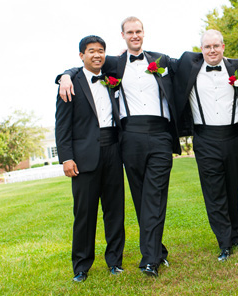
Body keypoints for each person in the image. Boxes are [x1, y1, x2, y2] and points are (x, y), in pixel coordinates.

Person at [57, 16, 181, 277]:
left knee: (122, 208)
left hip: (125, 144)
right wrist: (64, 77)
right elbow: (79, 75)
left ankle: (125, 260)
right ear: (122, 36)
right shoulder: (106, 67)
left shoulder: (160, 60)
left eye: (138, 31)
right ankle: (83, 267)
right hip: (115, 143)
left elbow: (192, 64)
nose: (135, 35)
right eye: (129, 32)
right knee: (89, 212)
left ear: (143, 33)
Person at [173, 30, 238, 262]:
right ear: (201, 49)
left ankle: (236, 236)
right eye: (207, 47)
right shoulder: (189, 66)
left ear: (224, 46)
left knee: (231, 188)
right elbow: (156, 61)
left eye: (216, 46)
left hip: (234, 137)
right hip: (205, 138)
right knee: (214, 192)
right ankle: (224, 243)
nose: (212, 50)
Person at [55, 35, 125, 283]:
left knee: (115, 211)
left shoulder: (111, 75)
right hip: (84, 158)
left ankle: (115, 262)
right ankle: (81, 266)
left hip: (113, 151)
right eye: (91, 51)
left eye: (101, 50)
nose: (97, 55)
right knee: (84, 214)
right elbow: (62, 126)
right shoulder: (69, 82)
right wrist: (66, 158)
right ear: (81, 55)